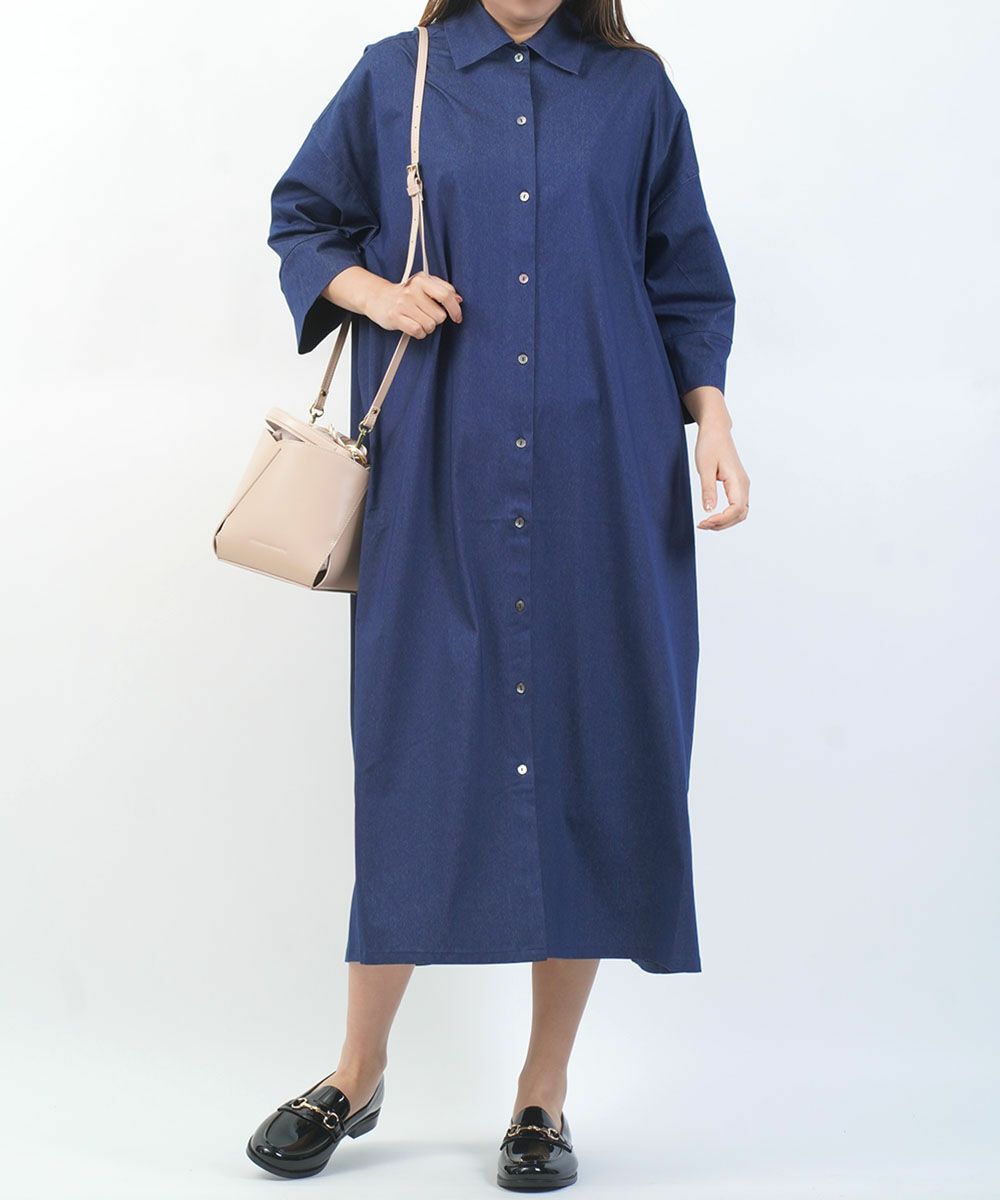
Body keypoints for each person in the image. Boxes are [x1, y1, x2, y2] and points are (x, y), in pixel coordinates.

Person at [247, 0, 749, 1189]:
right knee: (415, 754)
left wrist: (714, 422)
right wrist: (377, 293)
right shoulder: (395, 75)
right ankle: (357, 1070)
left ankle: (541, 1094)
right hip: (437, 470)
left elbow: (682, 274)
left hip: (604, 472)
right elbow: (303, 219)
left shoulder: (635, 90)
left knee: (590, 755)